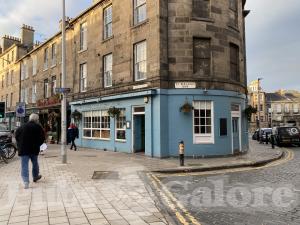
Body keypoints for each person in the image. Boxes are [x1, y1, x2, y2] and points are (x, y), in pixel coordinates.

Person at [15, 113, 45, 189]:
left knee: (24, 165)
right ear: (36, 120)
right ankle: (35, 176)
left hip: (23, 149)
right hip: (34, 149)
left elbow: (16, 136)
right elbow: (42, 138)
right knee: (35, 163)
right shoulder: (38, 127)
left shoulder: (22, 126)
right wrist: (38, 144)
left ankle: (26, 182)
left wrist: (20, 144)